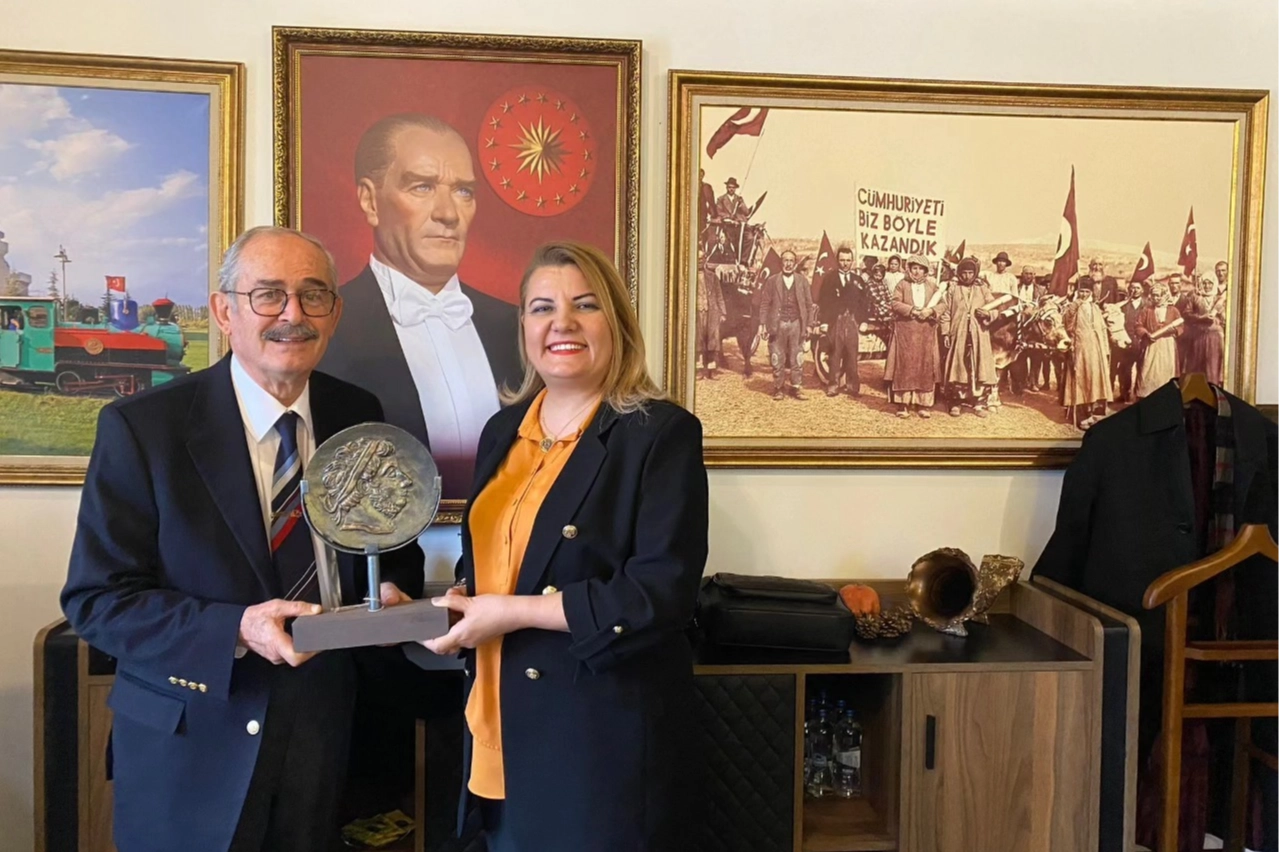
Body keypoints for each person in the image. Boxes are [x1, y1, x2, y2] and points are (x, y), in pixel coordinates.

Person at [60, 226, 424, 852]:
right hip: (190, 747)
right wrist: (239, 628)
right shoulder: (142, 428)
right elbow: (97, 601)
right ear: (225, 311)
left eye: (313, 295)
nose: (292, 314)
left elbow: (393, 554)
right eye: (269, 294)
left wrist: (391, 596)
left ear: (334, 313)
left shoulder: (358, 413)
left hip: (328, 741)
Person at [421, 240, 708, 851]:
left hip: (596, 742)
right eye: (542, 308)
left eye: (585, 305)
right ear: (524, 327)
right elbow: (500, 563)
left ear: (617, 323)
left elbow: (660, 595)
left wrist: (509, 612)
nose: (562, 323)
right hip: (497, 722)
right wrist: (455, 606)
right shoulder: (503, 430)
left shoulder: (660, 434)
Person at [319, 113, 522, 499]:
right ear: (370, 200)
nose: (448, 213)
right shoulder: (326, 329)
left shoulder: (517, 327)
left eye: (463, 191)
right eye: (422, 187)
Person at [883, 254, 941, 418]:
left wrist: (931, 311)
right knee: (905, 366)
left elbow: (943, 304)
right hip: (906, 333)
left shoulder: (932, 286)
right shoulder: (902, 285)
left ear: (926, 271)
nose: (917, 272)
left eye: (920, 269)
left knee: (925, 366)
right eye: (914, 268)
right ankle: (903, 404)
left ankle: (923, 404)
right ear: (909, 269)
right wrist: (912, 310)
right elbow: (894, 303)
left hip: (925, 333)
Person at [940, 257, 997, 417]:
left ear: (975, 273)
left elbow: (995, 308)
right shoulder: (953, 289)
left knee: (979, 366)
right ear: (959, 273)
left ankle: (978, 403)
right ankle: (956, 403)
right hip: (959, 333)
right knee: (958, 367)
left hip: (979, 334)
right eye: (964, 273)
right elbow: (946, 313)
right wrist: (946, 333)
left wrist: (988, 314)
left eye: (970, 273)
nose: (967, 276)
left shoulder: (982, 289)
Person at [759, 249, 814, 400]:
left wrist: (809, 325)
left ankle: (796, 387)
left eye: (791, 261)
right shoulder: (772, 281)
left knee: (797, 357)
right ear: (781, 263)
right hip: (778, 324)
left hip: (796, 324)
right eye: (785, 260)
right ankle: (778, 388)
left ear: (795, 264)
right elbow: (764, 304)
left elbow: (809, 305)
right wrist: (762, 324)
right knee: (777, 357)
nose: (788, 264)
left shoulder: (802, 281)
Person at [817, 246, 868, 398]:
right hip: (835, 320)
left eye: (848, 260)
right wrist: (824, 321)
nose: (845, 263)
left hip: (852, 320)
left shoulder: (857, 280)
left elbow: (864, 303)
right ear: (837, 261)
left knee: (852, 354)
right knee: (835, 353)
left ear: (852, 261)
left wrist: (863, 320)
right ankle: (833, 385)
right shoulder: (829, 278)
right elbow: (824, 302)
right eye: (842, 260)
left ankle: (853, 387)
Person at [1062, 278, 1113, 428]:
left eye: (1086, 291)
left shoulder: (1095, 307)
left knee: (1093, 380)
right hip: (1080, 349)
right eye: (1081, 291)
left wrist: (1105, 349)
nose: (1084, 294)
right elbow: (1068, 325)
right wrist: (1074, 306)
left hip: (1096, 350)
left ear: (1091, 292)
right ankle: (1081, 415)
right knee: (1081, 380)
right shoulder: (1073, 307)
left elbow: (1102, 329)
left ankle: (1090, 412)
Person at [1133, 279, 1182, 399]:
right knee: (1148, 370)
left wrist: (1173, 330)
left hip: (1167, 346)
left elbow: (1180, 326)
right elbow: (1138, 325)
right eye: (1153, 295)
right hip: (1151, 344)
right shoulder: (1147, 310)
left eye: (1158, 295)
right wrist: (1146, 334)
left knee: (1166, 370)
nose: (1156, 298)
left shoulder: (1173, 310)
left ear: (1164, 295)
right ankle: (1147, 397)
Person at [696, 246, 728, 379]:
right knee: (698, 341)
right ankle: (698, 370)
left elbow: (719, 295)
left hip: (712, 312)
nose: (700, 261)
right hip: (696, 313)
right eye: (697, 258)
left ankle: (712, 370)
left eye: (702, 258)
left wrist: (723, 312)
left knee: (712, 341)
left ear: (705, 259)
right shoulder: (688, 276)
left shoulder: (712, 276)